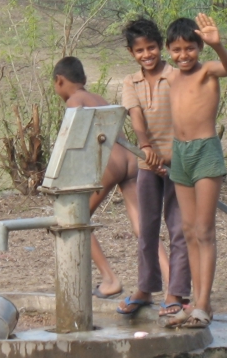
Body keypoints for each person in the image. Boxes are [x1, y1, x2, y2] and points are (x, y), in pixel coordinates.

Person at [52, 56, 169, 300]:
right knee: (142, 224)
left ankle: (110, 279)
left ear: (59, 81)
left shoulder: (74, 101)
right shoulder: (98, 98)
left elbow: (74, 140)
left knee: (75, 219)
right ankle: (171, 279)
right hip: (130, 160)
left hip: (109, 162)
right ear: (84, 79)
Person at [163, 14, 227, 328]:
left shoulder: (208, 71)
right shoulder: (170, 77)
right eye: (177, 50)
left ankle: (204, 304)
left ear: (198, 48)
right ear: (169, 50)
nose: (184, 56)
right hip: (180, 154)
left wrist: (218, 45)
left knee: (205, 232)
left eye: (190, 49)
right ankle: (193, 301)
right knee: (189, 231)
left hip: (205, 151)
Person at [116, 18, 190, 319]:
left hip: (180, 163)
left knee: (178, 229)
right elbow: (136, 119)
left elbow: (186, 116)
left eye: (152, 48)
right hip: (148, 164)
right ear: (131, 53)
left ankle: (176, 291)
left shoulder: (176, 75)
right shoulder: (130, 82)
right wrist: (146, 148)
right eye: (140, 50)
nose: (147, 54)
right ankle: (145, 288)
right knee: (147, 228)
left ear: (160, 47)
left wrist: (171, 157)